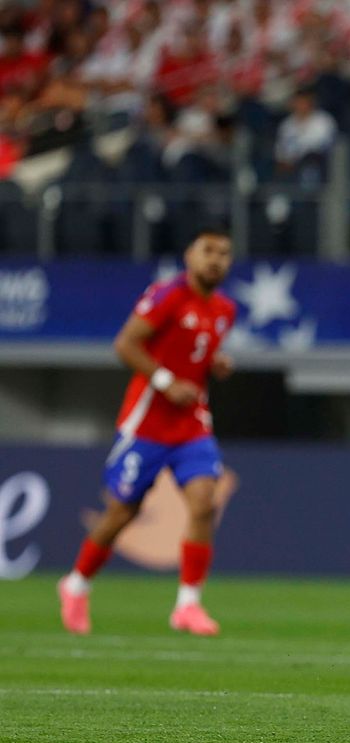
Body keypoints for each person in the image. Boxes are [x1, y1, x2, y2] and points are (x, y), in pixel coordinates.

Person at [57, 229, 237, 637]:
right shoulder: (167, 295)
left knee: (205, 502)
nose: (216, 260)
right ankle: (75, 584)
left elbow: (194, 354)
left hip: (192, 424)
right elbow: (126, 344)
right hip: (147, 425)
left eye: (224, 254)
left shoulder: (225, 309)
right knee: (123, 513)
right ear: (190, 255)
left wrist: (216, 364)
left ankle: (187, 605)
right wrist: (165, 381)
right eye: (208, 251)